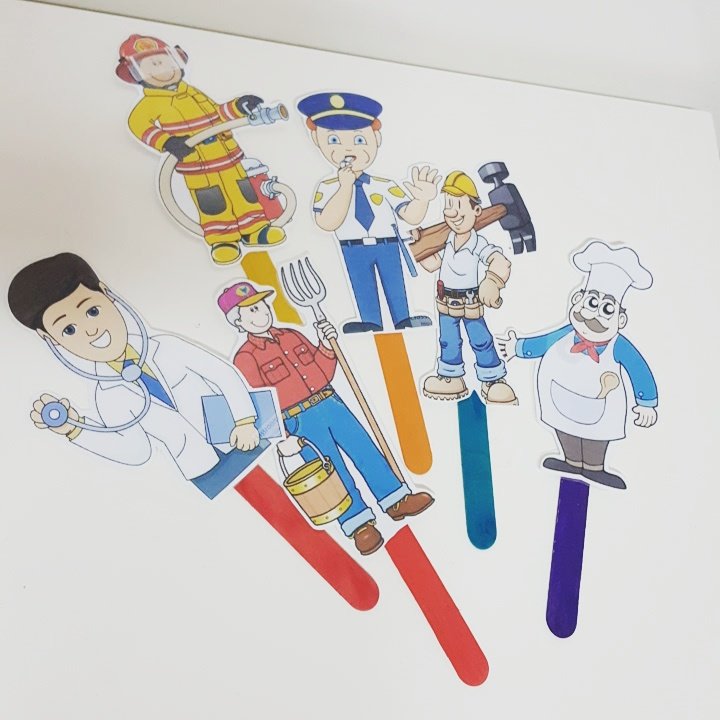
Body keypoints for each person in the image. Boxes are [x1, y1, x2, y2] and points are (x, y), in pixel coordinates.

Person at [7, 253, 263, 498]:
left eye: (93, 311)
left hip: (242, 436)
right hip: (202, 469)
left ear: (107, 295)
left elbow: (222, 373)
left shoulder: (166, 346)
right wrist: (76, 430)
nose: (91, 330)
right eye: (69, 329)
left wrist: (244, 420)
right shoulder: (107, 396)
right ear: (49, 338)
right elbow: (136, 450)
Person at [221, 281, 434, 555]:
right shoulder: (245, 358)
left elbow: (323, 371)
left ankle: (396, 499)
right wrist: (282, 437)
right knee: (331, 471)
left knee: (364, 449)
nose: (262, 313)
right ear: (238, 321)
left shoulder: (291, 336)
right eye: (251, 311)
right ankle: (359, 524)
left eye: (262, 306)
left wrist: (325, 346)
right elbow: (260, 405)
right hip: (298, 420)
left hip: (330, 402)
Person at [497, 240, 658, 489]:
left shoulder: (618, 346)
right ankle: (571, 461)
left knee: (596, 437)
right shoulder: (564, 334)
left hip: (602, 408)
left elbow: (638, 369)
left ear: (620, 319)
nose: (594, 315)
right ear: (577, 300)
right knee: (564, 428)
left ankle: (594, 467)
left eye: (607, 309)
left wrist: (646, 402)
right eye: (592, 303)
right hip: (559, 398)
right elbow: (543, 342)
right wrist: (518, 347)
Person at [116, 34, 285, 265]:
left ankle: (256, 230)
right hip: (198, 164)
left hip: (228, 158)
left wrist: (238, 107)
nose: (163, 69)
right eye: (152, 65)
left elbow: (217, 114)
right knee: (213, 203)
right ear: (136, 74)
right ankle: (223, 241)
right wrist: (167, 142)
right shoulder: (150, 103)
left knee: (245, 194)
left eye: (165, 62)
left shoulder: (194, 93)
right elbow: (138, 125)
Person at [297, 91, 437, 333]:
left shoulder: (384, 185)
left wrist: (422, 199)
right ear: (316, 139)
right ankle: (370, 320)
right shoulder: (328, 188)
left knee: (394, 282)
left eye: (359, 140)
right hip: (353, 247)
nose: (348, 149)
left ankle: (403, 317)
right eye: (334, 140)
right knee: (361, 283)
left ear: (376, 138)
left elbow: (410, 215)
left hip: (387, 244)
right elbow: (327, 222)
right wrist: (345, 186)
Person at [418, 171, 518, 404]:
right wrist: (418, 245)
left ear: (477, 211)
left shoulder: (477, 243)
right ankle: (451, 377)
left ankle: (493, 379)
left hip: (471, 302)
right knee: (448, 341)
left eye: (458, 206)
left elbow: (499, 260)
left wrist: (493, 281)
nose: (451, 213)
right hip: (445, 302)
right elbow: (433, 265)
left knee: (481, 340)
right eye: (448, 205)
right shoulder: (446, 241)